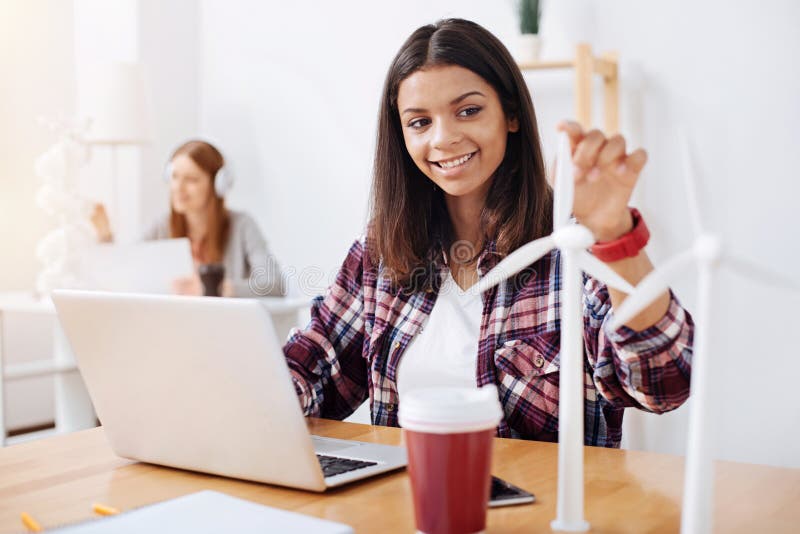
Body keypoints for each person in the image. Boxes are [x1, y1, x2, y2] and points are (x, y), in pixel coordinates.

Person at [282, 19, 693, 447]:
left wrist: (613, 233)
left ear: (511, 114)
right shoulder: (380, 253)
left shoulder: (571, 246)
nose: (443, 138)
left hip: (540, 510)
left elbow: (664, 384)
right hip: (404, 506)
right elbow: (312, 371)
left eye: (468, 111)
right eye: (420, 122)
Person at [91, 140, 285, 298]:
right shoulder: (162, 225)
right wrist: (105, 237)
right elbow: (125, 270)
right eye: (174, 177)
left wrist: (216, 289)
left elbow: (275, 284)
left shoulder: (242, 225)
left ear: (218, 185)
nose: (178, 187)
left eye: (191, 179)